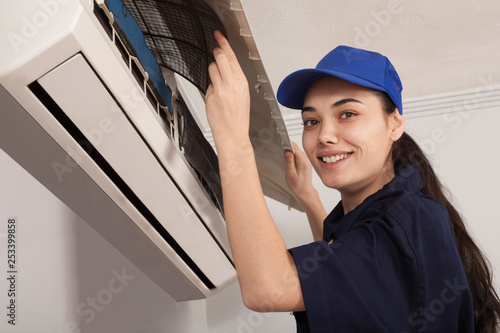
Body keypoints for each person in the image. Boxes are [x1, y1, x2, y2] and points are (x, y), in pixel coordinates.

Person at [205, 30, 500, 332]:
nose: (324, 136)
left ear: (394, 124)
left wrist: (233, 140)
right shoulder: (388, 215)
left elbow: (268, 290)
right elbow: (351, 265)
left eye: (347, 113)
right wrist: (308, 197)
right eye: (312, 121)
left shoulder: (410, 217)